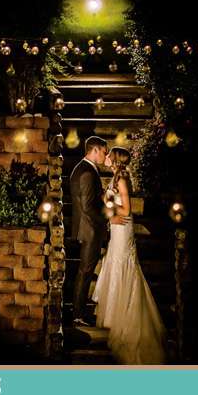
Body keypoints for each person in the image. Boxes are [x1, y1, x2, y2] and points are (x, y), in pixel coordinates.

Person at [92, 147, 167, 364]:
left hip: (123, 228)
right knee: (114, 263)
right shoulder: (116, 177)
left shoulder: (122, 179)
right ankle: (114, 313)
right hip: (116, 228)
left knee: (122, 265)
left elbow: (127, 210)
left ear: (115, 160)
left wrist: (112, 215)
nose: (105, 157)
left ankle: (124, 314)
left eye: (109, 155)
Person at [69, 136, 127, 327]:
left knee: (85, 271)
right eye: (104, 151)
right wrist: (110, 218)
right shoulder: (86, 172)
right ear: (94, 150)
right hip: (90, 230)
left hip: (88, 229)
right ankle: (78, 314)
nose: (106, 155)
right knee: (85, 271)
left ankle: (79, 312)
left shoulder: (86, 169)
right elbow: (87, 207)